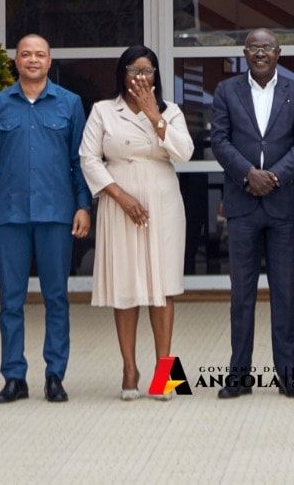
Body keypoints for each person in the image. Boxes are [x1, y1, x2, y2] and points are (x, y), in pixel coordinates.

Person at [0, 34, 91, 405]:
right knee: (10, 301)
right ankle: (13, 377)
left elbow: (80, 162)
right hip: (10, 216)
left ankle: (55, 375)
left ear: (49, 61)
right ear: (16, 61)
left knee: (57, 298)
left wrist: (83, 206)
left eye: (39, 55)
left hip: (57, 215)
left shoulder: (70, 104)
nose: (33, 60)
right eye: (26, 54)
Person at [78, 45, 194, 401]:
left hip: (162, 202)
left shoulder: (170, 111)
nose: (140, 77)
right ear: (122, 74)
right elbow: (88, 158)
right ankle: (129, 368)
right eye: (134, 70)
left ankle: (166, 374)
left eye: (147, 71)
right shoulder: (102, 110)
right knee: (125, 288)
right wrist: (121, 197)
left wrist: (153, 116)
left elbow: (185, 153)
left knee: (163, 286)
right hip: (119, 203)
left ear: (156, 76)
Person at [208, 27, 294, 399]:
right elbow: (219, 139)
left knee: (285, 293)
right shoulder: (226, 91)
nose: (260, 53)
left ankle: (288, 374)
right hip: (241, 206)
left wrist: (274, 176)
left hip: (282, 203)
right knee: (242, 294)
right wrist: (246, 174)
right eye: (254, 47)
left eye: (267, 47)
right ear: (244, 52)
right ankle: (238, 375)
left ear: (278, 53)